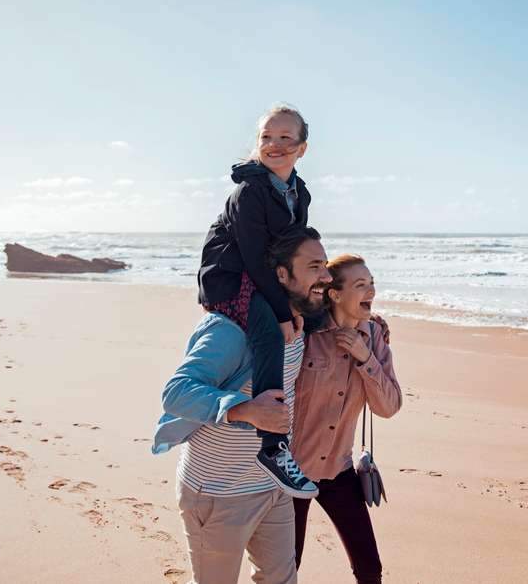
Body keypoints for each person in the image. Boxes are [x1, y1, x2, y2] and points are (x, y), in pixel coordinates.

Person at [154, 227, 331, 584]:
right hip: (218, 493)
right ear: (281, 274)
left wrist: (371, 329)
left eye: (325, 266)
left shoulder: (298, 325)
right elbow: (176, 392)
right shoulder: (230, 330)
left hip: (270, 486)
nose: (325, 276)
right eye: (314, 266)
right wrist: (244, 409)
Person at [196, 104, 317, 497]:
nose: (275, 145)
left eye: (285, 138)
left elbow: (292, 251)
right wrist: (283, 313)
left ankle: (312, 418)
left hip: (264, 273)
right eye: (267, 137)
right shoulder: (250, 190)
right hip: (230, 277)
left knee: (319, 313)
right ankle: (273, 447)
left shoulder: (301, 192)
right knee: (269, 332)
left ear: (302, 148)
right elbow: (250, 255)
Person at [291, 254, 402, 584]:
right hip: (291, 474)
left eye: (372, 284)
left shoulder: (375, 336)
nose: (371, 291)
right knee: (284, 568)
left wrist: (364, 356)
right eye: (360, 285)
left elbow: (389, 406)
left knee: (370, 569)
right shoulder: (304, 334)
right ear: (335, 294)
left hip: (338, 471)